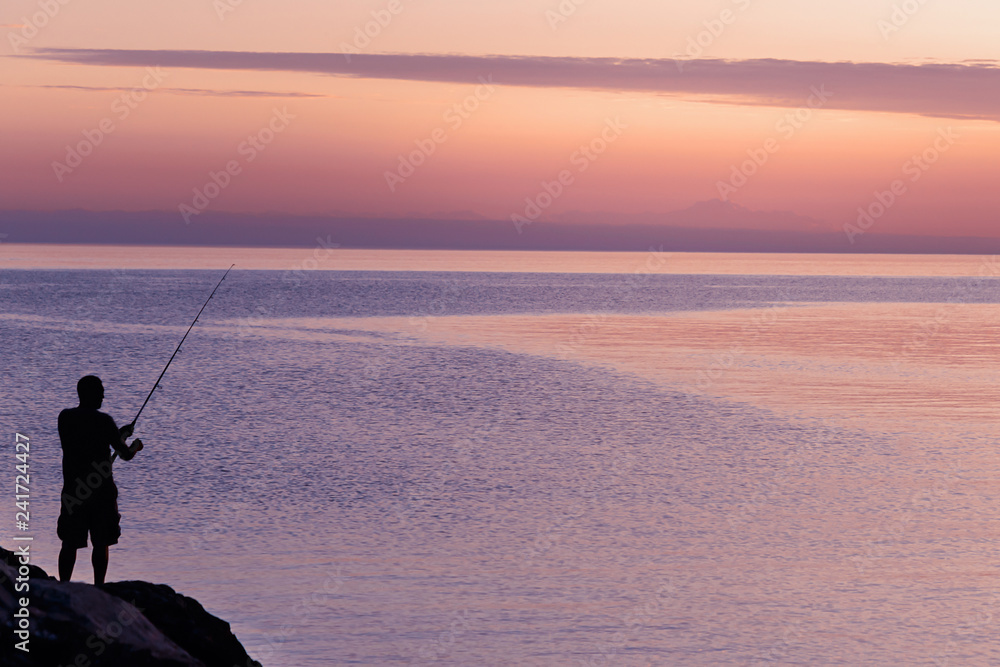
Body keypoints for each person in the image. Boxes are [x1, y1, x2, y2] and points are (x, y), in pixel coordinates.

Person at [57, 375, 144, 585]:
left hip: (74, 489)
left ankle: (63, 585)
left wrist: (118, 434)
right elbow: (124, 454)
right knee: (101, 540)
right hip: (100, 491)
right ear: (91, 394)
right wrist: (135, 446)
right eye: (100, 392)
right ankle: (99, 587)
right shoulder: (104, 421)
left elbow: (92, 440)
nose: (103, 396)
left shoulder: (65, 418)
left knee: (69, 541)